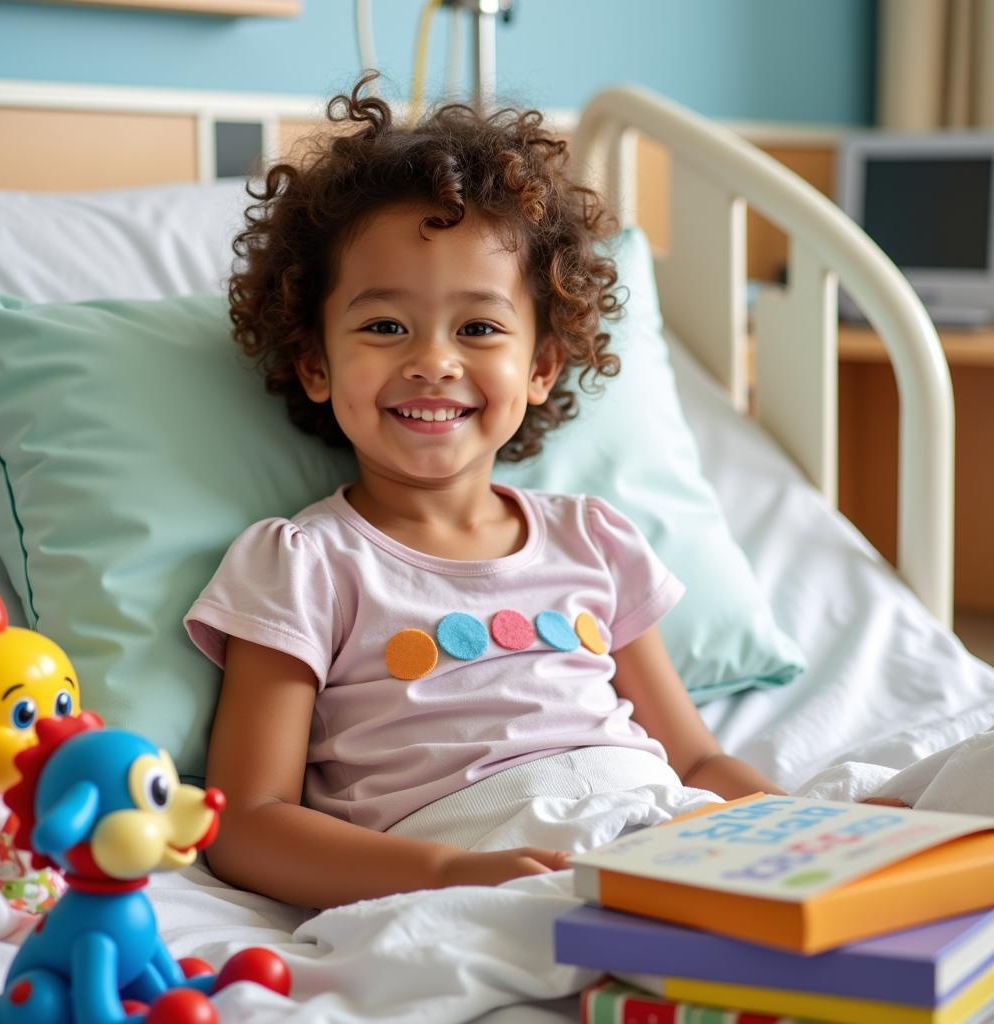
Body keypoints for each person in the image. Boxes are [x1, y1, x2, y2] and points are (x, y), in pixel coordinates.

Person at [184, 73, 783, 912]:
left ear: (539, 369)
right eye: (385, 326)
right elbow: (246, 821)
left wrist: (802, 831)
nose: (434, 359)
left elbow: (697, 761)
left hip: (656, 825)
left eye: (479, 328)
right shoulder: (306, 564)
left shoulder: (594, 540)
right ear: (316, 363)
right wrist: (442, 874)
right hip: (474, 861)